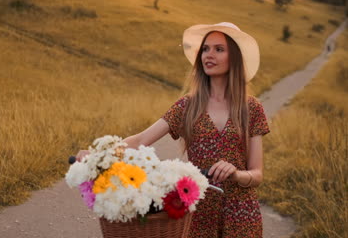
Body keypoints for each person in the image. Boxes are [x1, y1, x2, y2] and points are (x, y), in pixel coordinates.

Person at [77, 22, 269, 238]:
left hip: (242, 214)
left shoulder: (251, 108)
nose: (209, 54)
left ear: (234, 57)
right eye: (205, 49)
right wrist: (97, 155)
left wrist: (236, 174)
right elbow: (141, 139)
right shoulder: (187, 105)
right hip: (198, 212)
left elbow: (257, 173)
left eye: (219, 49)